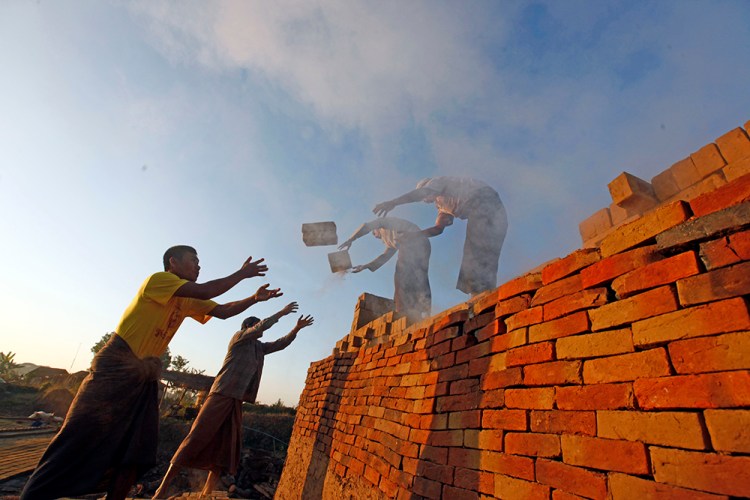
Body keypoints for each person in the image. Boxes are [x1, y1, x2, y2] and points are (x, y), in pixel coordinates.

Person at [21, 245, 281, 500]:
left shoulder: (189, 299)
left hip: (144, 377)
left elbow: (222, 311)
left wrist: (254, 299)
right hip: (115, 367)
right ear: (173, 263)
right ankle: (34, 494)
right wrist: (241, 274)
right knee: (77, 436)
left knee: (136, 450)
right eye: (194, 260)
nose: (199, 266)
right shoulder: (159, 281)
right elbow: (205, 290)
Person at [153, 302, 314, 498]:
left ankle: (206, 492)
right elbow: (261, 326)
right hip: (221, 393)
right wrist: (282, 312)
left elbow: (281, 344)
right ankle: (162, 490)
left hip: (236, 399)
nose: (258, 330)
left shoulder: (258, 348)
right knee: (195, 437)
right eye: (255, 326)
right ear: (248, 327)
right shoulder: (239, 339)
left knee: (225, 447)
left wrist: (296, 328)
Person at [373, 176, 507, 296]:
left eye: (424, 197)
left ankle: (481, 296)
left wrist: (393, 203)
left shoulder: (436, 182)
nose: (425, 201)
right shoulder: (442, 206)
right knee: (479, 251)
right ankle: (482, 297)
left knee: (477, 247)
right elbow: (438, 229)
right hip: (489, 211)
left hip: (485, 200)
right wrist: (415, 235)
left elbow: (423, 193)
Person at [338, 217, 431, 323]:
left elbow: (366, 226)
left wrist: (351, 239)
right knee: (418, 277)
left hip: (414, 240)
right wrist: (365, 266)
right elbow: (385, 256)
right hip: (422, 244)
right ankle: (421, 311)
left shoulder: (384, 223)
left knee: (402, 275)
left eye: (374, 233)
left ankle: (402, 312)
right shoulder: (389, 241)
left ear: (377, 228)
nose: (375, 236)